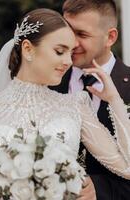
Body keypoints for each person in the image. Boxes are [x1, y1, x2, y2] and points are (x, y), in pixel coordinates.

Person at [0, 8, 130, 200]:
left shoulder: (74, 105)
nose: (68, 61)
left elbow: (127, 167)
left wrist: (114, 100)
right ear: (27, 49)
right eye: (60, 51)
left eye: (70, 52)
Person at [49, 0, 130, 199]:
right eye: (68, 30)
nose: (72, 42)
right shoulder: (46, 82)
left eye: (82, 34)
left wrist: (101, 189)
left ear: (110, 37)